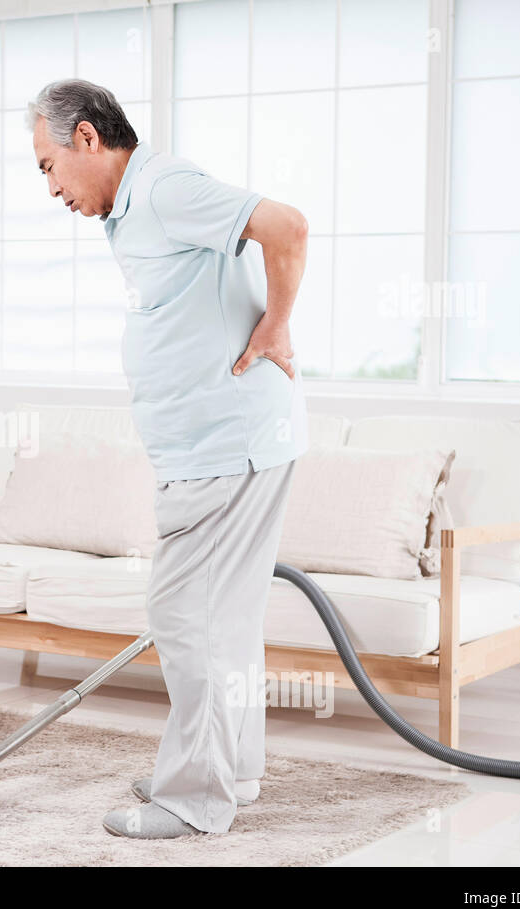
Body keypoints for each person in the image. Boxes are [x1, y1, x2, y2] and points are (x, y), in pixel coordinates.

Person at [27, 79, 311, 839]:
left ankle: (193, 799)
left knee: (187, 619)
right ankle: (230, 771)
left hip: (230, 448)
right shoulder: (134, 212)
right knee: (226, 620)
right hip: (222, 449)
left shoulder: (162, 190)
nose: (50, 187)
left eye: (49, 165)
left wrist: (276, 329)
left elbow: (285, 226)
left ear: (87, 137)